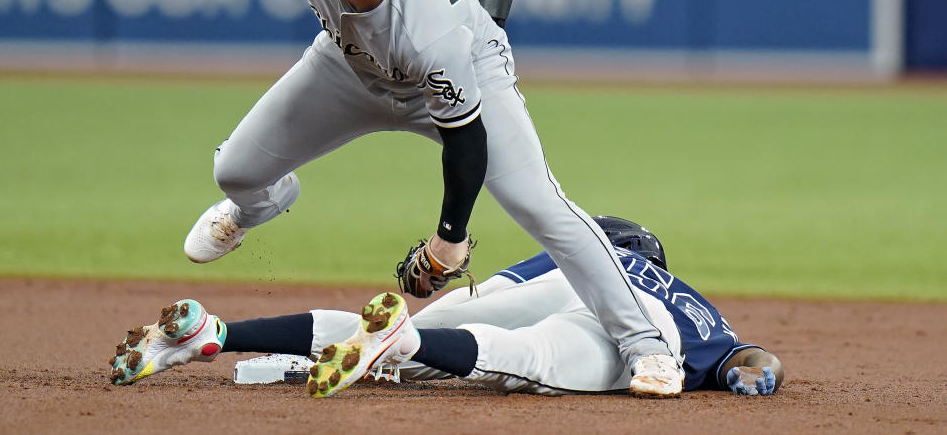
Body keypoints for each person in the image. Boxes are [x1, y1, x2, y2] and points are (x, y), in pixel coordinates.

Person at [180, 0, 682, 394]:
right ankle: (261, 206)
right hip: (347, 68)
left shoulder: (430, 32)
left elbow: (466, 143)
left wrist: (450, 240)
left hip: (469, 72)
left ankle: (647, 347)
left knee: (542, 206)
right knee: (237, 172)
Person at [110, 217, 784, 398]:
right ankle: (401, 347)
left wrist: (434, 315)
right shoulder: (687, 303)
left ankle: (219, 332)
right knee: (533, 361)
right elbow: (751, 359)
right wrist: (755, 375)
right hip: (648, 329)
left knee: (428, 329)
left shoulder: (578, 252)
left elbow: (483, 296)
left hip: (549, 285)